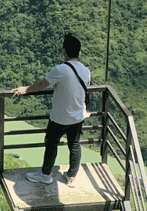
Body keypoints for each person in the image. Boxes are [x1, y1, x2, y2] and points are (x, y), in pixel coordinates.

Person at [12, 33, 90, 185]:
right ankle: (72, 175)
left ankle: (45, 174)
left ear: (64, 51)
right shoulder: (86, 70)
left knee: (51, 143)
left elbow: (42, 85)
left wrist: (26, 89)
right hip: (78, 115)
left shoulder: (60, 69)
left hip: (60, 117)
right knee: (74, 144)